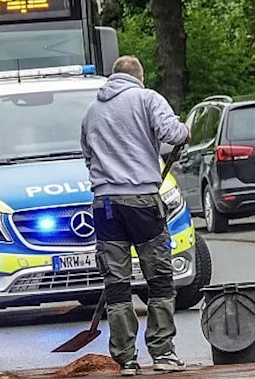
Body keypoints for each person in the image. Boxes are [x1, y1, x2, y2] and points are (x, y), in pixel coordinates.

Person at [81, 56, 190, 375]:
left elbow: (87, 155)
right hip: (142, 200)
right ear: (139, 77)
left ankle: (126, 358)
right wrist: (186, 130)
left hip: (105, 204)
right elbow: (172, 133)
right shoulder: (148, 98)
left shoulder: (92, 111)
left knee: (117, 284)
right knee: (159, 279)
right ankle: (162, 352)